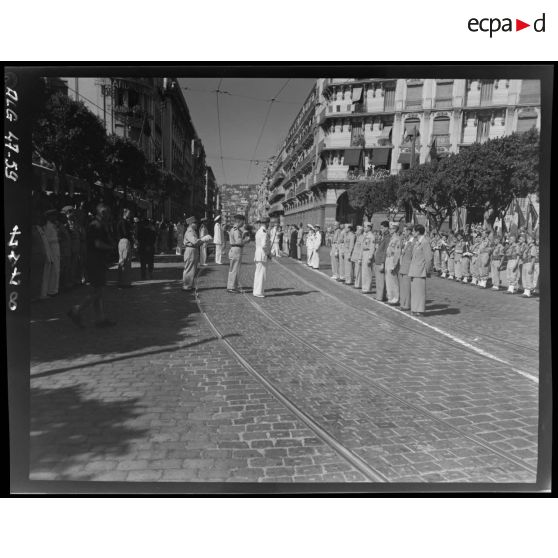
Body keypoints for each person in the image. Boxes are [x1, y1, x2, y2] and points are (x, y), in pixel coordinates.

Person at [67, 203, 115, 328]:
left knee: (97, 290)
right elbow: (98, 244)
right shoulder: (96, 226)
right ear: (102, 213)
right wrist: (111, 247)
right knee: (98, 291)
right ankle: (77, 310)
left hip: (97, 260)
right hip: (95, 261)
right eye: (107, 212)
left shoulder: (99, 225)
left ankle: (100, 319)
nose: (109, 215)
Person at [408, 224, 433, 316]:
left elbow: (428, 258)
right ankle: (415, 308)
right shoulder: (417, 241)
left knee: (420, 291)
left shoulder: (425, 242)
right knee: (414, 291)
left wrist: (427, 270)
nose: (412, 233)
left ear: (418, 232)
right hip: (414, 269)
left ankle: (420, 309)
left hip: (420, 269)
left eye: (414, 231)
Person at [227, 214, 250, 293]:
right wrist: (246, 240)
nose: (243, 224)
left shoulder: (234, 229)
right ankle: (232, 287)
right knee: (235, 269)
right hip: (236, 249)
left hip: (234, 249)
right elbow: (239, 241)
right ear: (239, 221)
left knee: (233, 269)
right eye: (243, 222)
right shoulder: (236, 230)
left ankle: (232, 286)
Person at [182, 216, 203, 291]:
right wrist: (203, 240)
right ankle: (186, 286)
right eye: (195, 223)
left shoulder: (192, 230)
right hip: (190, 250)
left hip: (193, 250)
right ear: (191, 224)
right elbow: (194, 241)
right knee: (189, 268)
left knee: (193, 268)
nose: (197, 224)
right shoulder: (190, 231)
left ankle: (190, 284)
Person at [398, 223, 415, 311]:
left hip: (408, 267)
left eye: (404, 231)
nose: (403, 233)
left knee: (407, 287)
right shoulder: (405, 241)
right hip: (403, 266)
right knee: (403, 286)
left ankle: (406, 304)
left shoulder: (413, 242)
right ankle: (403, 302)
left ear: (409, 231)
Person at [253, 217, 271, 298]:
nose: (268, 225)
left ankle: (256, 291)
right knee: (261, 274)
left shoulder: (258, 231)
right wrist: (268, 253)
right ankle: (259, 292)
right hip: (262, 255)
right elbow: (264, 245)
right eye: (268, 223)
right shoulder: (264, 232)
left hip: (258, 254)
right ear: (266, 223)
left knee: (258, 274)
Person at [44, 209, 60, 296]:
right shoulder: (47, 226)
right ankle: (51, 290)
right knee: (53, 271)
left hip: (56, 249)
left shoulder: (53, 226)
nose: (55, 217)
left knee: (57, 270)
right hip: (52, 249)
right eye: (53, 216)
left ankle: (55, 289)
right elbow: (46, 239)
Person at [116, 208, 134, 288]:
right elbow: (125, 232)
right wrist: (131, 233)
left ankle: (125, 282)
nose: (130, 215)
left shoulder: (125, 221)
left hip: (124, 241)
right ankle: (123, 283)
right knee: (124, 261)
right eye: (129, 213)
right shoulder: (123, 222)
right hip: (124, 241)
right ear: (125, 213)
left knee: (126, 262)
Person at [385, 222, 402, 305]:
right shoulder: (392, 238)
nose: (389, 230)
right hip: (388, 258)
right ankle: (390, 297)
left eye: (391, 228)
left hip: (392, 259)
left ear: (395, 229)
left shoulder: (397, 239)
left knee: (393, 280)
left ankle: (396, 298)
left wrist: (394, 264)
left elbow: (397, 253)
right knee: (388, 280)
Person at [373, 220, 390, 301]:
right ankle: (381, 295)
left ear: (387, 228)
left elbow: (385, 251)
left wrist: (383, 262)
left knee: (380, 280)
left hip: (381, 261)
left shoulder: (387, 238)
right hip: (378, 260)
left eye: (383, 228)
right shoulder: (383, 237)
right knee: (379, 280)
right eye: (381, 228)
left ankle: (380, 296)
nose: (381, 229)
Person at [360, 222, 375, 294]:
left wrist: (370, 257)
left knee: (368, 272)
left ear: (369, 228)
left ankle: (368, 287)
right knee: (364, 271)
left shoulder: (371, 236)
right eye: (364, 227)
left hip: (368, 252)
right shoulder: (364, 235)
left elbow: (372, 247)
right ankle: (364, 287)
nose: (364, 228)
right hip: (364, 252)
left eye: (365, 227)